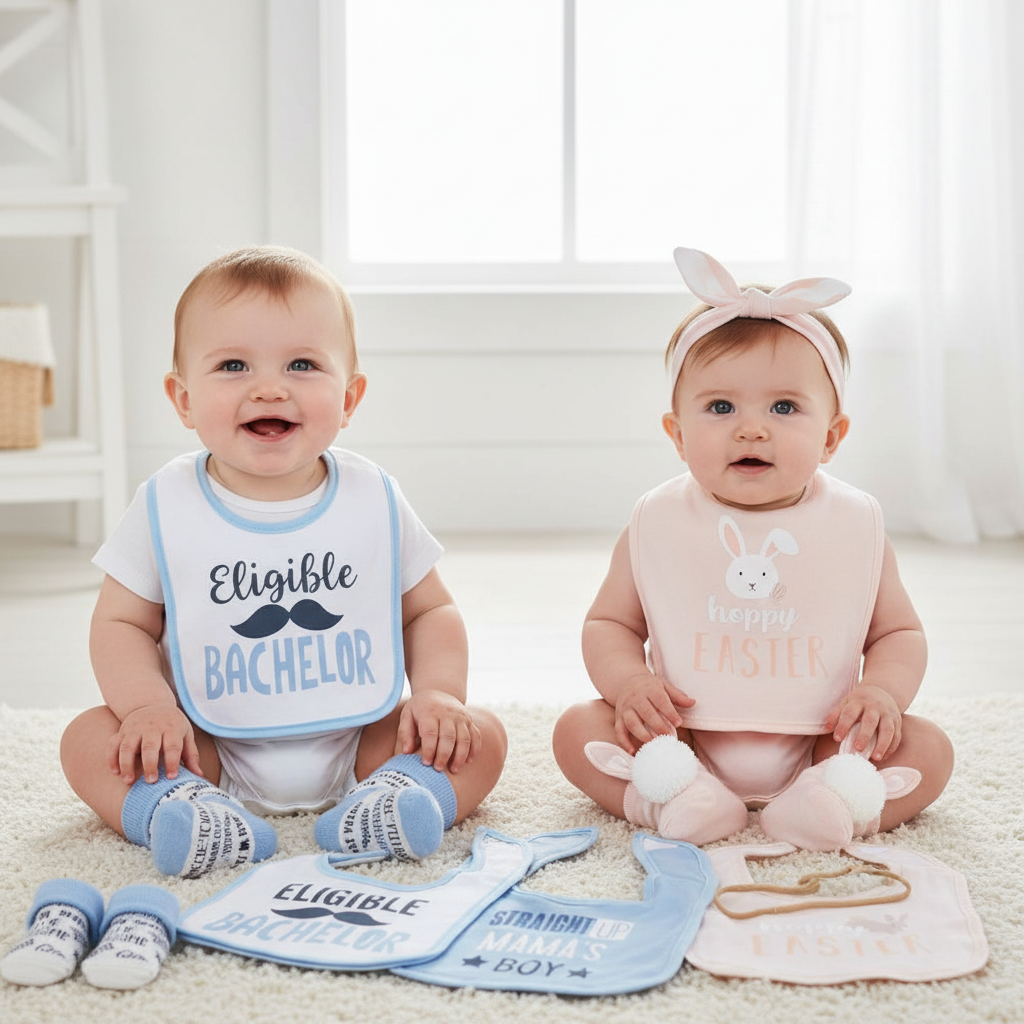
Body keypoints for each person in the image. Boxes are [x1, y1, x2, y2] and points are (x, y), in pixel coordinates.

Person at [61, 246, 507, 878]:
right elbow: (120, 624)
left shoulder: (371, 494)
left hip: (365, 744)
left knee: (481, 735)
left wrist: (438, 694)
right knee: (87, 740)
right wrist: (145, 710)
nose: (269, 387)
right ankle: (178, 810)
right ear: (182, 398)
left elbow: (430, 608)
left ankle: (394, 800)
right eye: (233, 365)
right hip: (205, 746)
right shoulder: (165, 502)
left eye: (302, 364)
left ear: (349, 397)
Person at [552, 248, 953, 852]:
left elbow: (898, 633)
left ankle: (826, 802)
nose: (752, 428)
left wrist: (881, 694)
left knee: (931, 750)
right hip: (682, 741)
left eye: (784, 407)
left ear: (832, 436)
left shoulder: (855, 524)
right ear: (678, 434)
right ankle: (682, 800)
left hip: (824, 744)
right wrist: (631, 684)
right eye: (720, 407)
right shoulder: (656, 520)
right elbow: (609, 622)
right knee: (577, 729)